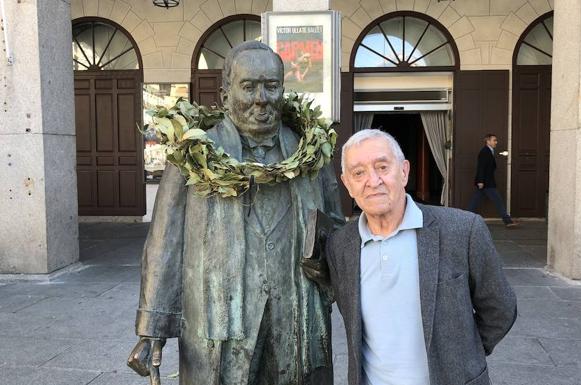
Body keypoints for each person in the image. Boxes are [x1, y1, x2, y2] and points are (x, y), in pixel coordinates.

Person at [127, 41, 343, 385]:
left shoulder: (312, 154)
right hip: (218, 321)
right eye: (249, 86)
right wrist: (152, 327)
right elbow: (164, 244)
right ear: (226, 94)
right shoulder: (193, 155)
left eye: (271, 86)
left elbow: (337, 231)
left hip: (297, 315)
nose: (261, 98)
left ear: (283, 91)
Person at [325, 129, 517, 385]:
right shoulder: (340, 246)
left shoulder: (462, 230)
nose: (372, 181)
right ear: (347, 184)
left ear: (404, 171)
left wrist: (461, 356)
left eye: (382, 167)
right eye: (358, 173)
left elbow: (500, 309)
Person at [467, 134, 517, 227]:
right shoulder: (484, 152)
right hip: (487, 183)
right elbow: (481, 167)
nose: (496, 142)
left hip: (486, 182)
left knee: (474, 202)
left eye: (496, 140)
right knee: (498, 201)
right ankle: (508, 221)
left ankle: (464, 219)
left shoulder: (490, 151)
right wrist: (480, 181)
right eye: (494, 140)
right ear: (488, 141)